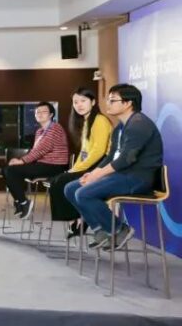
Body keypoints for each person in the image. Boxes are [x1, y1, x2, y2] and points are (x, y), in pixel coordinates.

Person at [65, 84, 164, 251]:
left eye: (112, 100)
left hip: (137, 178)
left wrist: (98, 176)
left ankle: (119, 229)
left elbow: (126, 159)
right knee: (71, 188)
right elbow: (112, 156)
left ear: (128, 103)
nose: (108, 104)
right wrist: (92, 173)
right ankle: (101, 231)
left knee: (84, 193)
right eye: (108, 100)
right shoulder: (120, 127)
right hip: (121, 175)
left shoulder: (139, 124)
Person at [48, 87, 113, 237]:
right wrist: (74, 168)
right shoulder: (86, 122)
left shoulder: (100, 120)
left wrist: (77, 170)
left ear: (93, 102)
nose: (79, 105)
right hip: (90, 163)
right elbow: (84, 153)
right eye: (75, 102)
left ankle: (77, 219)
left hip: (101, 165)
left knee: (60, 182)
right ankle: (77, 219)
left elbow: (99, 151)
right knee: (58, 180)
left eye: (83, 101)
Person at [2, 101, 70, 218]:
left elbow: (42, 149)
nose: (40, 114)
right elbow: (35, 150)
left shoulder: (55, 128)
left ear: (51, 115)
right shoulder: (40, 131)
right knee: (6, 170)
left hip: (55, 166)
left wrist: (22, 161)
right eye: (37, 112)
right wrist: (20, 161)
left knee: (11, 170)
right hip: (43, 164)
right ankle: (20, 201)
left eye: (44, 112)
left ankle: (23, 202)